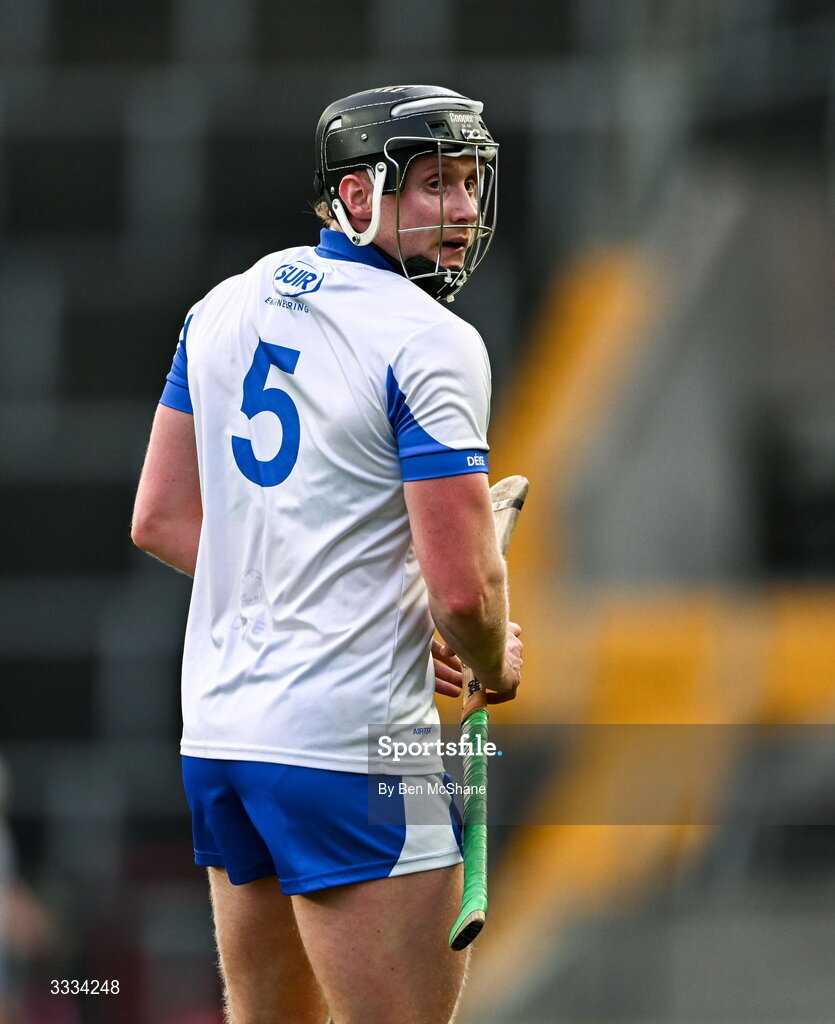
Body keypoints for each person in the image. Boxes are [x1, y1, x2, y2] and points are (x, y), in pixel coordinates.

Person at [132, 84, 523, 1024]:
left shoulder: (222, 306)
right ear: (355, 197)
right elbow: (465, 591)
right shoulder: (431, 341)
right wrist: (487, 660)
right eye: (435, 183)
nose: (465, 209)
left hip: (222, 741)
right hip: (353, 755)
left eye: (470, 183)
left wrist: (344, 599)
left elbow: (159, 518)